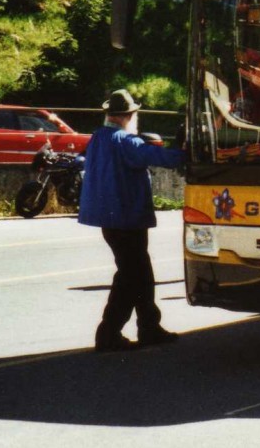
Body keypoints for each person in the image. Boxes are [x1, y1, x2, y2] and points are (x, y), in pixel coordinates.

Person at [78, 89, 185, 352]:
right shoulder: (125, 141)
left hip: (111, 218)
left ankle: (148, 327)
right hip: (127, 217)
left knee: (139, 273)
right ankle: (110, 333)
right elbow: (160, 157)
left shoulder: (99, 137)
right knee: (131, 276)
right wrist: (185, 150)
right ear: (128, 116)